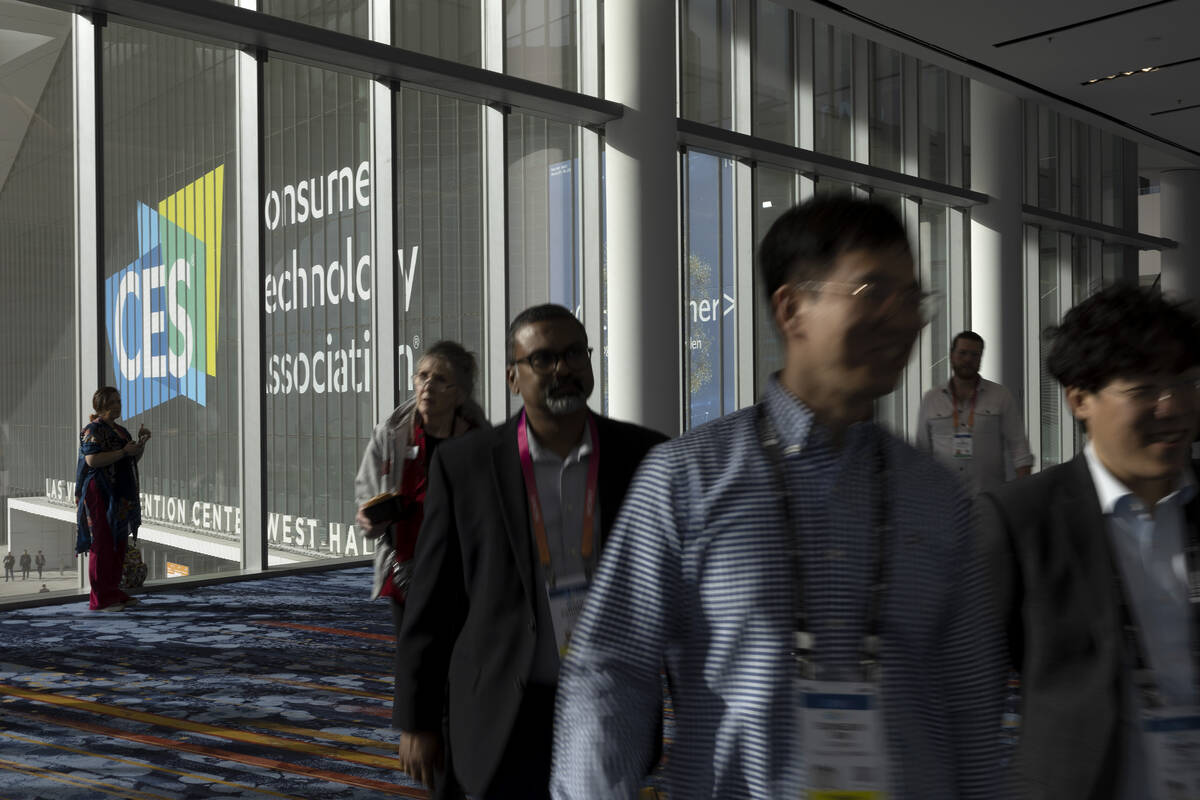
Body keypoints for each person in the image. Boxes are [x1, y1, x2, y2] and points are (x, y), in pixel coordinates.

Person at [552, 196, 1007, 798]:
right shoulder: (687, 480)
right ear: (793, 309)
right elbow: (611, 670)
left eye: (913, 298)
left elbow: (972, 698)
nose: (905, 319)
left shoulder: (935, 495)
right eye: (874, 292)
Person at [392, 304, 667, 800]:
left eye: (572, 354)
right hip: (503, 705)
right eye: (542, 359)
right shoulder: (466, 467)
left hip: (610, 705)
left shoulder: (645, 458)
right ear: (513, 379)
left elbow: (669, 595)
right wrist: (418, 719)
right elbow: (434, 603)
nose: (561, 369)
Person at [979, 284, 1200, 799]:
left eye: (1185, 382)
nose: (1172, 407)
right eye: (1144, 389)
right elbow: (968, 700)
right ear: (1080, 399)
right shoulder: (1021, 522)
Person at [354, 339, 489, 800]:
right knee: (421, 663)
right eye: (422, 376)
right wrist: (370, 517)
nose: (427, 386)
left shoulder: (479, 439)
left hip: (465, 579)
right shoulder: (392, 433)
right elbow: (364, 495)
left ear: (460, 391)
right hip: (405, 574)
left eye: (440, 379)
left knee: (459, 673)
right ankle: (439, 765)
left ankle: (453, 761)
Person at [915, 331, 1034, 494]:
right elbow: (922, 453)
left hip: (989, 498)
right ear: (951, 355)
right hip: (944, 500)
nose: (968, 359)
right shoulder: (931, 399)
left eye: (974, 355)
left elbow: (1019, 448)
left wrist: (1023, 492)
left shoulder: (1000, 396)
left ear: (980, 358)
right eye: (962, 353)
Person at [75, 386, 150, 612]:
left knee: (118, 543)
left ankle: (113, 590)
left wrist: (141, 444)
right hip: (100, 492)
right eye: (114, 402)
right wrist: (124, 452)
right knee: (102, 542)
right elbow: (92, 461)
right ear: (102, 405)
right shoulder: (93, 430)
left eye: (119, 401)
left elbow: (131, 459)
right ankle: (99, 597)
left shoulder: (120, 431)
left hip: (118, 492)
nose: (118, 405)